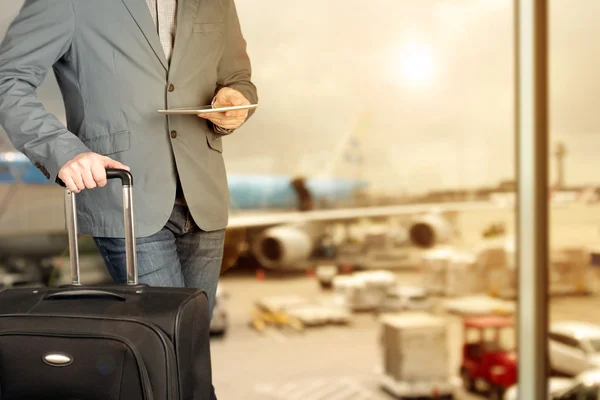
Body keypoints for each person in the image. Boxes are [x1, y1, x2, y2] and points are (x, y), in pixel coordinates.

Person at [0, 1, 257, 396]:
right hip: (124, 195)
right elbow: (8, 79)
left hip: (203, 194)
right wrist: (61, 150)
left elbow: (238, 77)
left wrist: (235, 100)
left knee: (189, 355)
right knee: (164, 350)